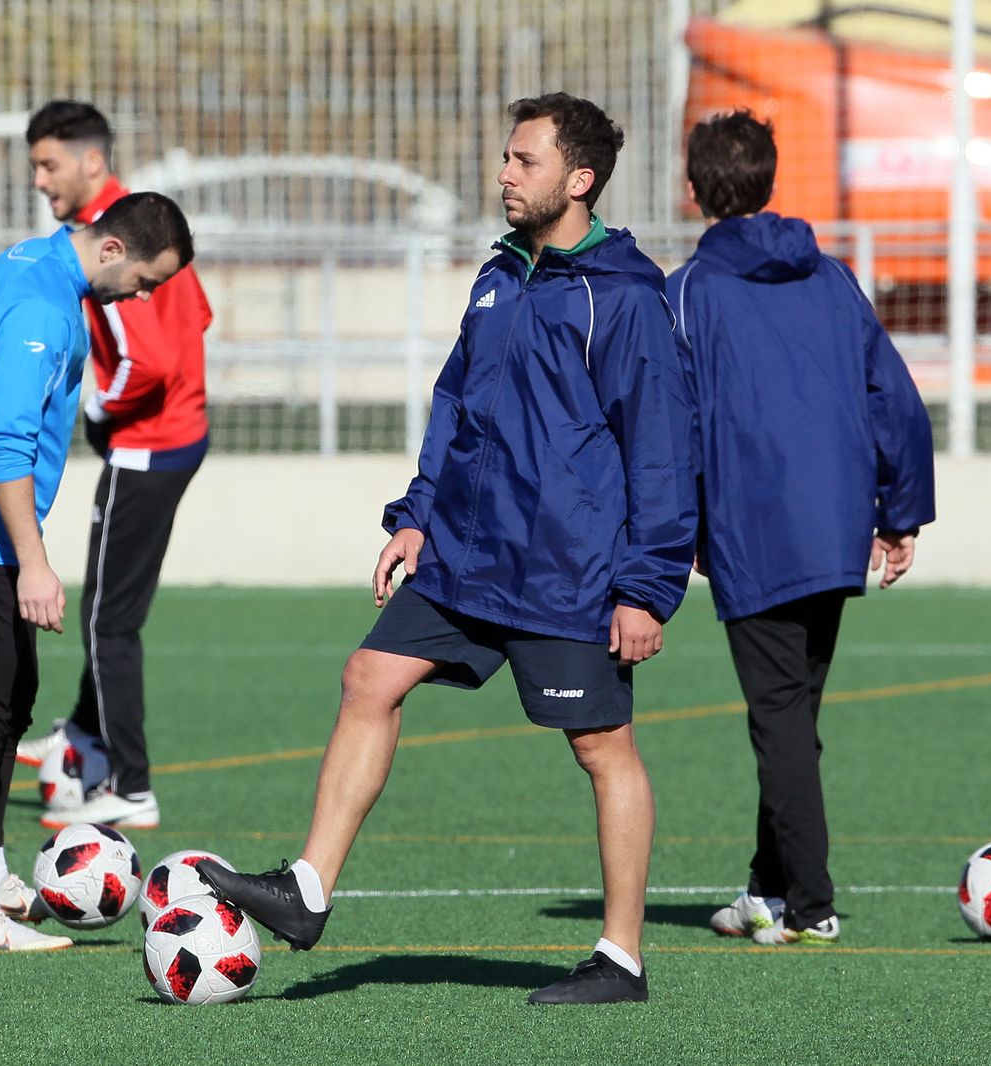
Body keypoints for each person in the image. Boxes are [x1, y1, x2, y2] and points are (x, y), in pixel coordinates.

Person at [194, 93, 698, 1005]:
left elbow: (662, 451)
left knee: (602, 748)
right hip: (466, 552)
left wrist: (647, 587)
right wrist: (415, 516)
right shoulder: (497, 275)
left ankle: (620, 958)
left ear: (579, 180)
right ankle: (307, 891)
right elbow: (455, 404)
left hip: (565, 571)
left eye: (526, 161)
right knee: (367, 678)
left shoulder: (625, 299)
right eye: (505, 158)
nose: (505, 175)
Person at [0, 191, 194, 952]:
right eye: (148, 281)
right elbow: (5, 445)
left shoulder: (38, 261)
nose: (144, 297)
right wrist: (36, 566)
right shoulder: (43, 312)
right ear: (114, 251)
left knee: (11, 697)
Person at [667, 110, 936, 946]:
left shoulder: (684, 292)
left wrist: (678, 536)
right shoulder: (832, 277)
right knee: (792, 714)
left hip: (754, 531)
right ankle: (766, 889)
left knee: (780, 718)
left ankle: (811, 906)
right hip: (836, 524)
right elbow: (895, 398)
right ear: (772, 180)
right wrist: (900, 515)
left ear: (691, 190)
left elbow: (672, 428)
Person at [12, 101, 215, 833]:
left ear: (90, 162)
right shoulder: (148, 221)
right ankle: (84, 735)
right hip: (172, 436)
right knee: (108, 607)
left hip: (148, 445)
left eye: (49, 164)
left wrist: (100, 411)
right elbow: (199, 315)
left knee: (108, 620)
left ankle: (129, 782)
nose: (39, 180)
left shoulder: (118, 240)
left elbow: (151, 355)